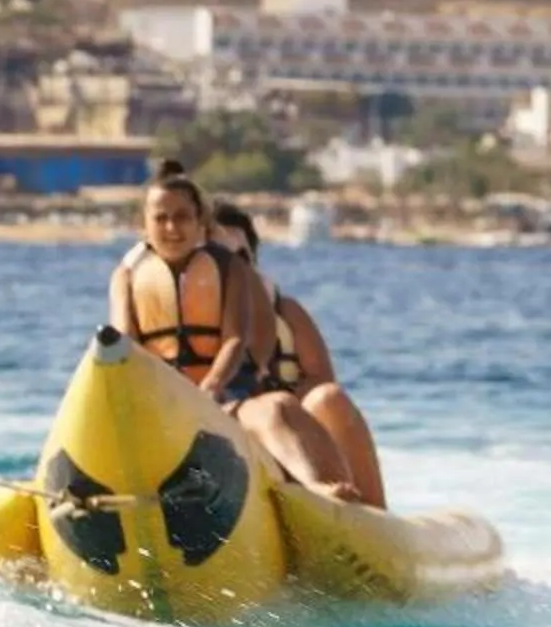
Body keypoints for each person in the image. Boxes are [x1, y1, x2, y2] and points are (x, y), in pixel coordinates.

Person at [109, 162, 362, 500]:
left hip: (224, 400)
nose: (171, 227)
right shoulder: (127, 276)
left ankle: (313, 490)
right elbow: (125, 341)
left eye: (182, 217)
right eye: (161, 218)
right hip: (162, 403)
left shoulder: (231, 270)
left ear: (200, 223)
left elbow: (235, 338)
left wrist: (211, 386)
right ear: (144, 224)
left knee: (276, 408)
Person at [211, 201, 388, 509]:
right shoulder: (185, 317)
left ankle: (374, 519)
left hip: (290, 431)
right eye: (222, 258)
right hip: (229, 434)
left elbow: (321, 378)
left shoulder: (286, 314)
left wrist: (282, 400)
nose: (233, 268)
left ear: (253, 260)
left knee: (330, 399)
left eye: (241, 257)